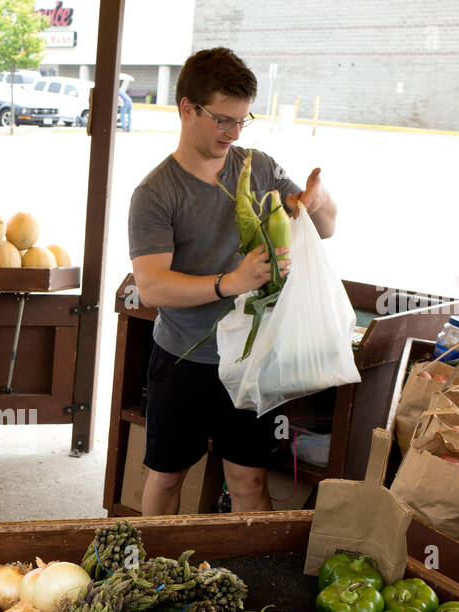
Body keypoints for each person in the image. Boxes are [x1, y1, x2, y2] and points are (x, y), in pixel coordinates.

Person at [128, 47, 337, 515]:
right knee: (166, 477)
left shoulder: (258, 166)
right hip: (183, 358)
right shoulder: (156, 193)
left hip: (251, 359)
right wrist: (231, 281)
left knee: (247, 479)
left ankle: (247, 577)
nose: (234, 133)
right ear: (187, 108)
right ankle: (151, 579)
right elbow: (153, 287)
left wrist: (318, 201)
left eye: (243, 120)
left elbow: (325, 229)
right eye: (223, 120)